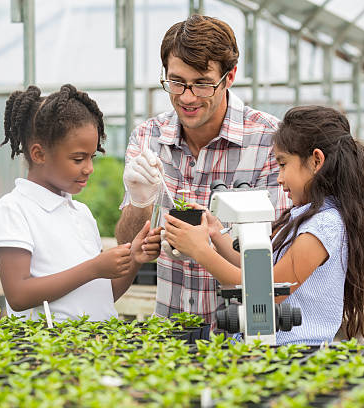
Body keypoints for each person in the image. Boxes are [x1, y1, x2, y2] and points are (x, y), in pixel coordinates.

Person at [115, 15, 290, 325]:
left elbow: (277, 257)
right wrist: (140, 202)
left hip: (246, 332)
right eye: (177, 81)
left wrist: (204, 245)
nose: (187, 97)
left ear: (230, 76)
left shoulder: (269, 141)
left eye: (202, 84)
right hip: (171, 330)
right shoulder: (148, 137)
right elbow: (127, 245)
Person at [164, 106, 364, 344]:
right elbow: (257, 270)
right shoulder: (303, 215)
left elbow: (267, 291)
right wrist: (213, 232)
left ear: (316, 160)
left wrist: (200, 252)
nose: (279, 178)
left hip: (295, 354)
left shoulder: (323, 227)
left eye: (283, 164)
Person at [0, 84, 161, 322]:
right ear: (39, 154)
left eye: (91, 157)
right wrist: (94, 268)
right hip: (50, 351)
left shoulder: (81, 212)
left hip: (95, 346)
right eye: (78, 159)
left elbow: (103, 295)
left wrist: (134, 257)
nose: (89, 168)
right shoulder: (15, 208)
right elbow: (18, 295)